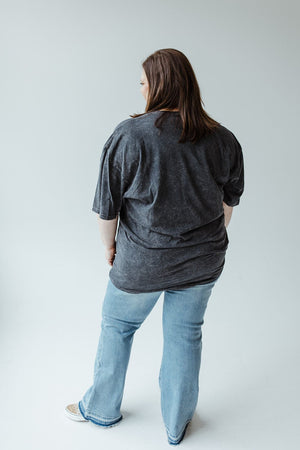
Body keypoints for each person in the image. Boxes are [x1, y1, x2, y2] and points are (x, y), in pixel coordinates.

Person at [64, 48, 245, 445]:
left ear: (160, 86)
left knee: (118, 326)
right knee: (186, 334)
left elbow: (107, 208)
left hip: (142, 260)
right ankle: (177, 424)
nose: (141, 91)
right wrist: (205, 241)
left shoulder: (130, 135)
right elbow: (227, 205)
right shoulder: (223, 138)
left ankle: (101, 410)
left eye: (144, 83)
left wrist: (110, 249)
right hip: (203, 260)